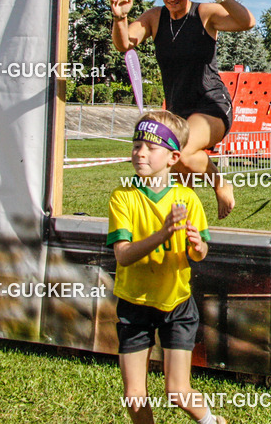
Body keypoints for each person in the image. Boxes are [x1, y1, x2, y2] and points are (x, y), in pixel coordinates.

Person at [111, 0, 255, 219]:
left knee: (181, 152)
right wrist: (120, 18)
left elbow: (247, 22)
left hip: (212, 104)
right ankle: (182, 225)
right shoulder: (154, 17)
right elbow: (124, 43)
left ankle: (219, 181)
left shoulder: (206, 13)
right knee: (175, 169)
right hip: (178, 110)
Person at [108, 111, 225, 424]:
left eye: (150, 147)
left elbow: (199, 253)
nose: (140, 152)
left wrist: (198, 247)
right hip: (134, 305)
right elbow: (123, 256)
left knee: (178, 392)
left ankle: (213, 422)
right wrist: (163, 234)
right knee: (134, 397)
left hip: (176, 304)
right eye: (136, 145)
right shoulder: (122, 198)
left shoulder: (187, 199)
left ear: (174, 157)